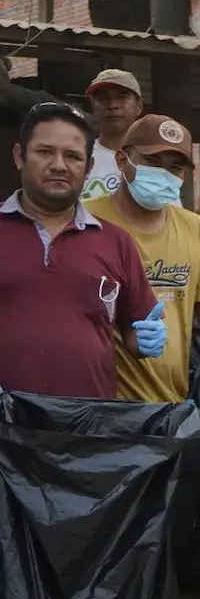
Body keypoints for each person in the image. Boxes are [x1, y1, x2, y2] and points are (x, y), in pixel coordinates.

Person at [86, 114, 200, 405]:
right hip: (94, 403)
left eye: (174, 167)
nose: (163, 174)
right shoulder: (84, 220)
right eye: (152, 162)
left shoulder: (198, 231)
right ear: (121, 160)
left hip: (168, 401)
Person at [0, 102, 168, 398]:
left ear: (88, 167)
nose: (59, 165)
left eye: (73, 156)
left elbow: (133, 331)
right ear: (18, 156)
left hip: (89, 420)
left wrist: (144, 340)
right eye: (44, 152)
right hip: (7, 422)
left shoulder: (115, 242)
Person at [84, 68, 144, 200]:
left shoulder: (152, 160)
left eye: (122, 97)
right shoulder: (80, 157)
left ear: (139, 106)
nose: (112, 105)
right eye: (103, 98)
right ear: (93, 107)